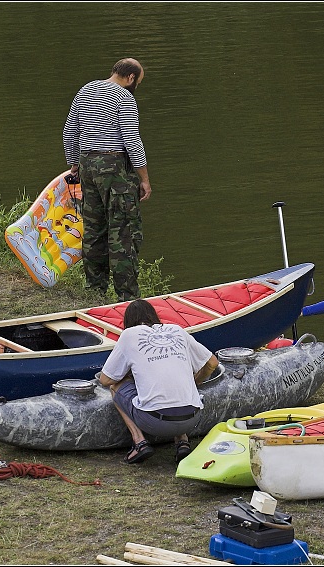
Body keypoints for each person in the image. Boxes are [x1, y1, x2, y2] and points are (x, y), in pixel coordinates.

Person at [63, 57, 152, 301]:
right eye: (138, 82)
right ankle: (128, 297)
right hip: (113, 168)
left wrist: (73, 162)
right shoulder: (124, 97)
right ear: (131, 78)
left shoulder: (86, 89)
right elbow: (132, 140)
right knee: (123, 230)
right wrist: (144, 178)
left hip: (87, 165)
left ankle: (95, 291)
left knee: (94, 228)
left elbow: (70, 130)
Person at [97, 299, 220, 464]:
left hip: (156, 422)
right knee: (177, 382)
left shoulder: (129, 335)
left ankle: (139, 442)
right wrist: (194, 382)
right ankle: (182, 442)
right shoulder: (177, 330)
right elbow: (212, 362)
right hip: (192, 420)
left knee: (115, 386)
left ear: (128, 322)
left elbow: (105, 379)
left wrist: (129, 376)